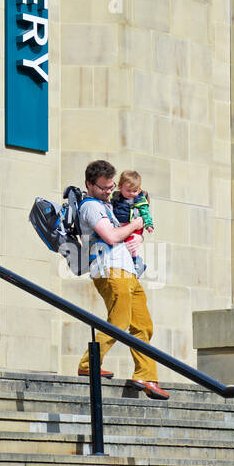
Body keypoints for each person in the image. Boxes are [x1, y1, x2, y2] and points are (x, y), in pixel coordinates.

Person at [76, 159, 169, 400]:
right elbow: (110, 235)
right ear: (89, 184)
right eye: (103, 188)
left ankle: (146, 376)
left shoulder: (109, 204)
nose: (108, 192)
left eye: (111, 187)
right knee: (119, 322)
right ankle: (88, 365)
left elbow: (126, 233)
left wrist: (139, 237)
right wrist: (136, 225)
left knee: (143, 325)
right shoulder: (90, 206)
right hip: (110, 270)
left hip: (127, 270)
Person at [111, 169, 154, 278]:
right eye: (129, 190)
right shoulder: (115, 197)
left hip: (133, 226)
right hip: (119, 226)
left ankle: (137, 263)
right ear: (120, 187)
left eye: (135, 191)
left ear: (139, 190)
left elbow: (145, 213)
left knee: (132, 245)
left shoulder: (139, 200)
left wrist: (149, 225)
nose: (132, 194)